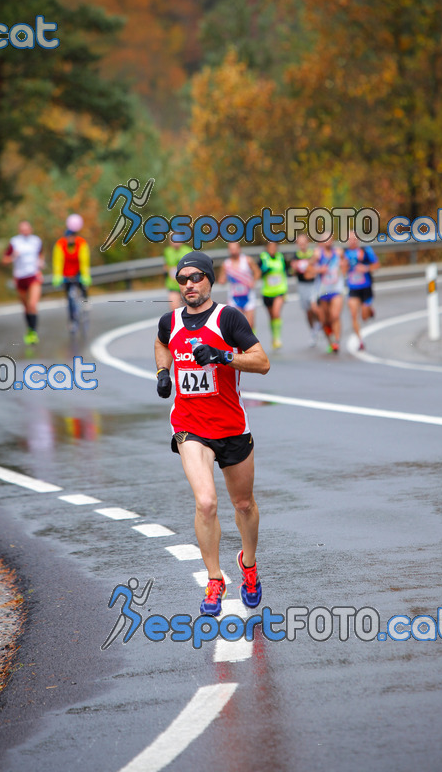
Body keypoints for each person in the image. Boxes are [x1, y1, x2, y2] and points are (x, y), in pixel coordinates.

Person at [154, 250, 270, 617]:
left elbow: (262, 362)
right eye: (183, 279)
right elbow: (161, 343)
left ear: (209, 279)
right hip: (190, 427)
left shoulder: (228, 318)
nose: (189, 284)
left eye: (195, 277)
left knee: (243, 504)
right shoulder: (169, 321)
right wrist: (163, 373)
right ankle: (215, 577)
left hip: (232, 426)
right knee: (205, 502)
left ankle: (248, 566)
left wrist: (223, 357)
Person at [2, 220, 44, 345]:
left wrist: (40, 263)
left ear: (31, 229)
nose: (25, 232)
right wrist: (13, 256)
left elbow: (41, 255)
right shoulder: (14, 242)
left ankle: (34, 333)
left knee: (32, 304)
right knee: (26, 307)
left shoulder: (36, 241)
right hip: (20, 278)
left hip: (33, 276)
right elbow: (4, 260)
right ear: (19, 231)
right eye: (23, 230)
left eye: (27, 229)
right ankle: (29, 330)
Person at [52, 214, 92, 333]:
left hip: (78, 272)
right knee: (69, 298)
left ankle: (85, 302)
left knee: (83, 287)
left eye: (72, 237)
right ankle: (72, 321)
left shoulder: (81, 243)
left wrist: (85, 276)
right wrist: (57, 276)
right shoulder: (60, 244)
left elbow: (84, 260)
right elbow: (57, 261)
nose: (71, 239)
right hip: (66, 274)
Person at [342, 231, 380, 351]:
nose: (352, 241)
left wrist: (366, 268)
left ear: (358, 240)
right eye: (350, 239)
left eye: (354, 238)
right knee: (353, 315)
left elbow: (377, 265)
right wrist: (345, 266)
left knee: (364, 316)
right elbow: (342, 272)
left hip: (366, 288)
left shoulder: (365, 251)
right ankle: (360, 341)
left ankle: (369, 310)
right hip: (353, 289)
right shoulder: (344, 254)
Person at [217, 241, 261, 329]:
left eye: (235, 248)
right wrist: (222, 280)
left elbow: (257, 272)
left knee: (250, 324)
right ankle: (241, 342)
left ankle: (251, 341)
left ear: (239, 249)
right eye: (231, 249)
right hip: (234, 298)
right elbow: (222, 279)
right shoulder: (226, 264)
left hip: (248, 296)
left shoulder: (247, 260)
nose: (233, 251)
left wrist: (253, 281)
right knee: (238, 325)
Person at [314, 235, 345, 353]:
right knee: (325, 321)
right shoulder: (317, 254)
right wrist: (318, 270)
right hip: (323, 290)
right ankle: (331, 341)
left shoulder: (339, 252)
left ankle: (336, 341)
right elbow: (309, 269)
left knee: (335, 315)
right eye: (324, 239)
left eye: (329, 239)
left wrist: (344, 266)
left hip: (336, 289)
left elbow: (346, 265)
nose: (327, 242)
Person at [290, 233, 321, 346]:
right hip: (302, 285)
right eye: (300, 243)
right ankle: (313, 330)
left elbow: (315, 269)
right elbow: (293, 272)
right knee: (308, 312)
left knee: (315, 308)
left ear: (307, 243)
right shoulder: (295, 256)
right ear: (297, 244)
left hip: (313, 285)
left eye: (304, 242)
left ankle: (319, 323)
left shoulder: (312, 254)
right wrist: (294, 269)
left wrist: (309, 268)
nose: (302, 245)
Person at [258, 241, 288, 349]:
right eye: (270, 247)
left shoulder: (280, 257)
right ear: (267, 248)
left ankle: (277, 338)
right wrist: (265, 270)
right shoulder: (263, 258)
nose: (272, 249)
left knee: (276, 313)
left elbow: (285, 272)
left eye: (274, 247)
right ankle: (274, 336)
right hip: (267, 292)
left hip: (279, 291)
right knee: (271, 317)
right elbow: (259, 272)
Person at [163, 234, 191, 309]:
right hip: (173, 284)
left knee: (190, 309)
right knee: (174, 309)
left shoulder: (187, 251)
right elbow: (166, 265)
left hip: (186, 284)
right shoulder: (167, 251)